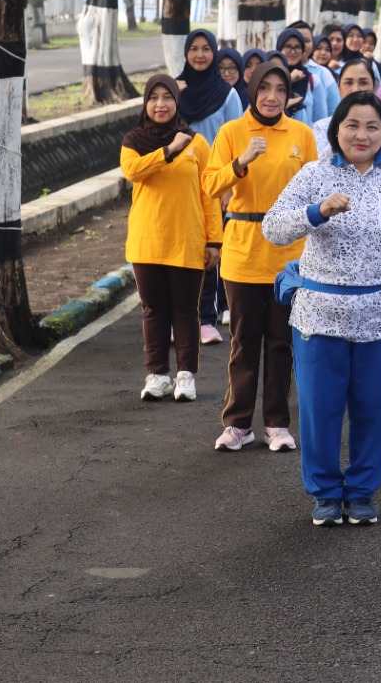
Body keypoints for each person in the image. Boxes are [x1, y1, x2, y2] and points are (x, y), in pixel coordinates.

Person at [261, 92, 381, 527]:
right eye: (352, 125)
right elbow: (273, 228)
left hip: (380, 318)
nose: (362, 134)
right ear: (336, 130)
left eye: (372, 126)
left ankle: (361, 492)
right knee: (320, 409)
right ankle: (324, 492)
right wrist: (316, 212)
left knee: (373, 409)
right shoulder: (314, 176)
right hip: (319, 318)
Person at [204, 60, 319, 452]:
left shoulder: (301, 135)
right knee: (243, 341)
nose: (272, 97)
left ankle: (276, 423)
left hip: (288, 254)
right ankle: (237, 423)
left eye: (280, 90)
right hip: (242, 248)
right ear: (252, 91)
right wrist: (240, 163)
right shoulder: (232, 132)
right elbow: (210, 184)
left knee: (281, 343)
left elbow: (315, 189)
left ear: (288, 95)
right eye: (264, 88)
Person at [122, 76, 222, 402]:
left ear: (177, 103)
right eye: (154, 97)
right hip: (147, 240)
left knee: (184, 310)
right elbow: (134, 171)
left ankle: (185, 375)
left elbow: (209, 195)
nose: (161, 104)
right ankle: (156, 375)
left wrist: (214, 241)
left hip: (187, 239)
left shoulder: (197, 143)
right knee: (153, 310)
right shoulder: (133, 141)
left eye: (168, 97)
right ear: (145, 103)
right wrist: (168, 151)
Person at [177, 32, 244, 346]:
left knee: (210, 250)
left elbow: (237, 141)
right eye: (194, 49)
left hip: (216, 185)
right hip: (178, 185)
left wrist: (231, 185)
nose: (200, 55)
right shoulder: (174, 90)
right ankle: (179, 318)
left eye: (206, 49)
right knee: (180, 252)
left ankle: (205, 317)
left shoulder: (227, 95)